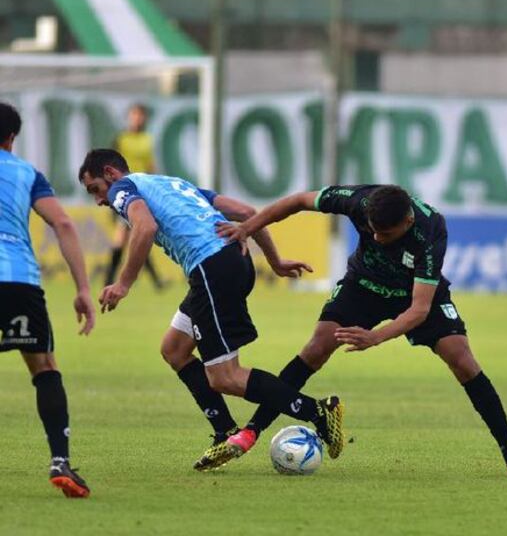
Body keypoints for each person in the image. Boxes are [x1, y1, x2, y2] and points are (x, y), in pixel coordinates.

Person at [215, 184, 507, 479]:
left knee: (462, 359)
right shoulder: (362, 201)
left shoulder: (430, 232)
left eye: (385, 235)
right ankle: (251, 432)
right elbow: (299, 200)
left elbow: (418, 309)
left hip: (414, 294)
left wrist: (376, 337)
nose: (376, 238)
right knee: (316, 346)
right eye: (372, 231)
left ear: (408, 223)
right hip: (364, 285)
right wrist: (248, 227)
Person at [76, 148, 344, 470]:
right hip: (229, 263)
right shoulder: (173, 183)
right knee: (174, 348)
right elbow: (246, 211)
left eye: (95, 189)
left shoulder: (124, 188)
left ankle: (317, 411)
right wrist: (274, 260)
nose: (99, 200)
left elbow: (144, 228)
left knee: (224, 377)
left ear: (110, 173)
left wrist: (123, 284)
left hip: (211, 268)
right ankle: (224, 432)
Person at [0, 102, 96, 497]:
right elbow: (63, 222)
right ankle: (60, 461)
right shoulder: (26, 173)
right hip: (18, 280)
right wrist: (83, 289)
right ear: (13, 138)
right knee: (43, 368)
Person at [104, 103, 166, 290]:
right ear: (129, 117)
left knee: (139, 235)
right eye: (134, 115)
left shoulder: (147, 139)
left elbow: (150, 165)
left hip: (142, 192)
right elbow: (108, 165)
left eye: (140, 115)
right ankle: (111, 280)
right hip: (123, 191)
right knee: (125, 236)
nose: (137, 119)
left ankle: (154, 281)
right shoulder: (121, 139)